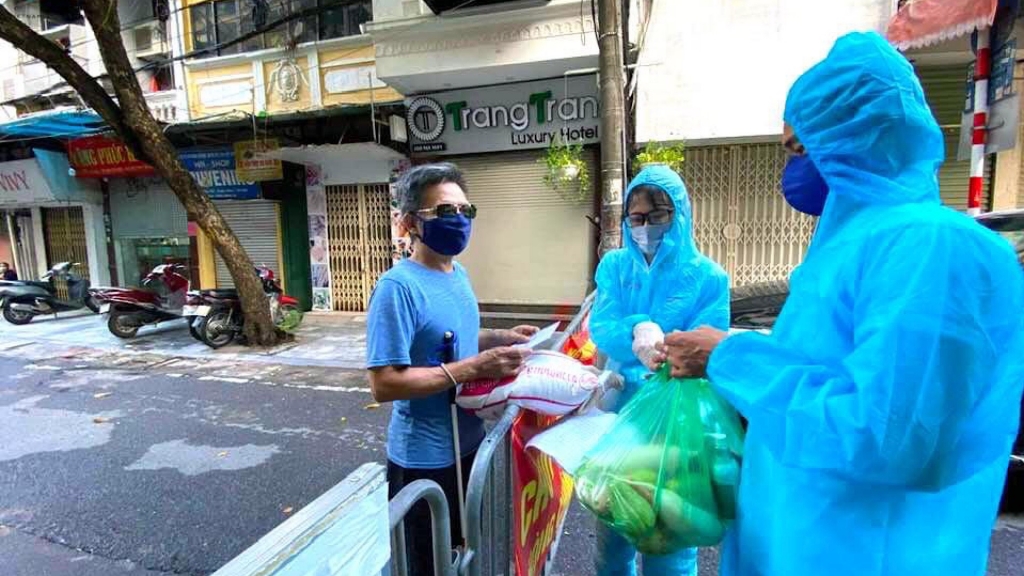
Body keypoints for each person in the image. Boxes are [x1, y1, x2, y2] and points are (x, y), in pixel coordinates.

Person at [658, 32, 1024, 575]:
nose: (791, 168)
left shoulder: (931, 248)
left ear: (858, 138)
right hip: (801, 541)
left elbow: (886, 436)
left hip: (867, 553)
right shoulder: (850, 250)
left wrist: (728, 360)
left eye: (798, 147)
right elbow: (825, 369)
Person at [365, 163, 536, 576]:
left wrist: (498, 337)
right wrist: (473, 367)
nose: (458, 221)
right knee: (428, 565)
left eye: (465, 211)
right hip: (424, 462)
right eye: (445, 212)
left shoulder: (458, 274)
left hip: (473, 446)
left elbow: (450, 338)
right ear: (409, 223)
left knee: (465, 556)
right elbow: (384, 383)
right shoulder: (397, 288)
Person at [589, 164, 730, 576]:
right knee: (614, 520)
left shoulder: (708, 276)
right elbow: (603, 327)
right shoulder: (615, 266)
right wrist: (637, 329)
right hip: (621, 413)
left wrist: (662, 347)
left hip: (678, 418)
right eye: (636, 218)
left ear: (680, 214)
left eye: (658, 215)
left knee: (670, 531)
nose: (645, 226)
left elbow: (706, 341)